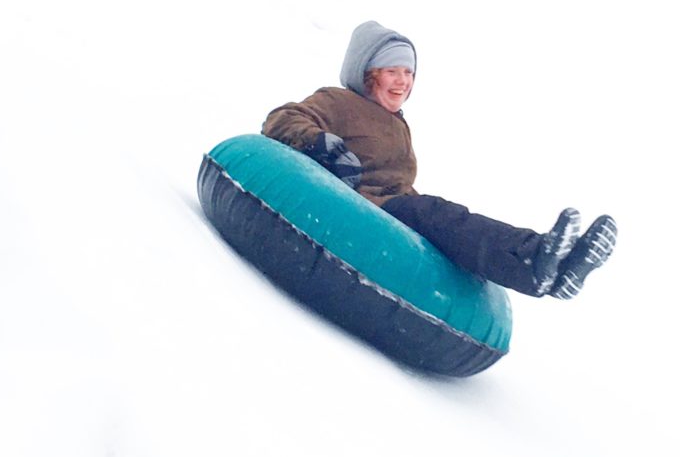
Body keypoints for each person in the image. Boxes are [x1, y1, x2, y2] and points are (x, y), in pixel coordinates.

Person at [262, 20, 616, 299]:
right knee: (439, 215)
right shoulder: (338, 101)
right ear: (368, 74)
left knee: (448, 224)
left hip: (390, 210)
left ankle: (564, 268)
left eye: (408, 72)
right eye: (391, 71)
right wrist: (323, 145)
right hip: (358, 207)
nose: (402, 82)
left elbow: (394, 183)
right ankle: (536, 257)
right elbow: (282, 119)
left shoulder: (397, 124)